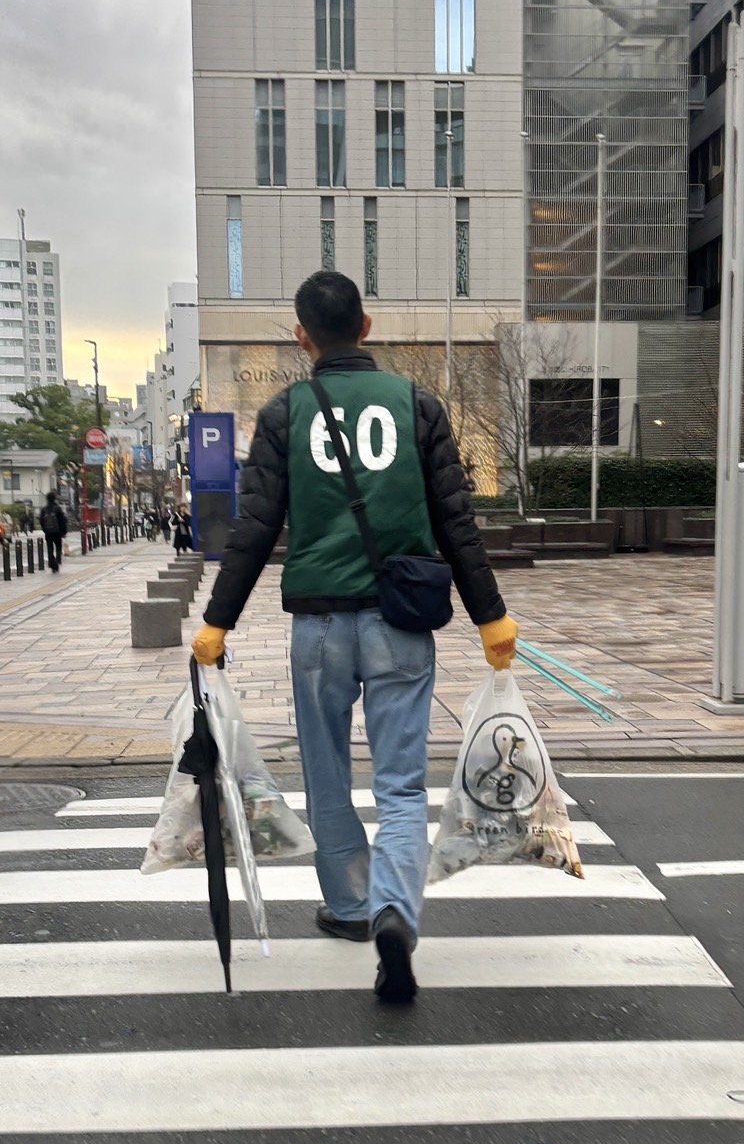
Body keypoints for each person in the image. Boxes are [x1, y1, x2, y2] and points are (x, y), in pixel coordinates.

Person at [193, 271, 518, 1005]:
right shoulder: (417, 405)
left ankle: (348, 904)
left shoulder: (283, 413)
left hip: (319, 626)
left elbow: (255, 527)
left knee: (327, 772)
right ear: (366, 327)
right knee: (400, 783)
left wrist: (218, 621)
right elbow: (455, 519)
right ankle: (394, 912)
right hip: (401, 620)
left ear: (302, 335)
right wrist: (489, 615)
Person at [39, 491, 68, 572]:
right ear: (54, 499)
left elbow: (41, 521)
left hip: (48, 532)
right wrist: (64, 531)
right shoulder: (58, 509)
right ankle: (57, 561)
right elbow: (62, 521)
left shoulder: (44, 510)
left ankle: (52, 563)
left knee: (50, 548)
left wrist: (45, 529)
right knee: (58, 547)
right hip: (57, 532)